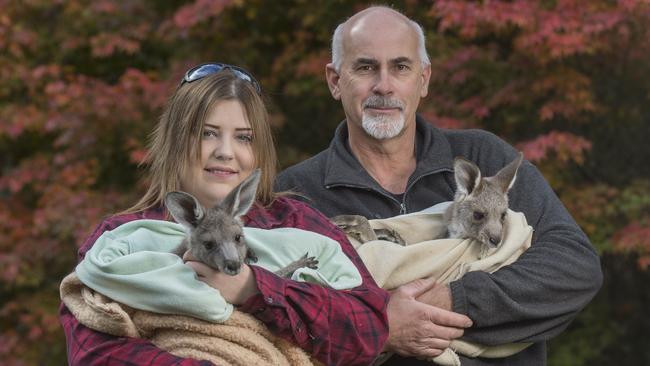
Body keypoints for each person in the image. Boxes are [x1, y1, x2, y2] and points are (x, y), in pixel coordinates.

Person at [275, 6, 603, 366]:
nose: (384, 85)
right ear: (335, 80)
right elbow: (276, 309)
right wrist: (382, 325)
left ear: (424, 79)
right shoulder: (296, 192)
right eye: (366, 67)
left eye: (401, 67)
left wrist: (452, 299)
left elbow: (574, 266)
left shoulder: (485, 156)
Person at [59, 63, 389, 366]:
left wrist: (252, 288)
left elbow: (368, 331)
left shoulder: (294, 222)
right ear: (177, 141)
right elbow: (95, 350)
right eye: (207, 133)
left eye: (243, 137)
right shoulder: (125, 237)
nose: (225, 152)